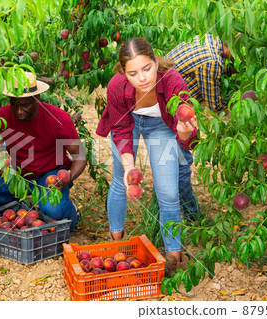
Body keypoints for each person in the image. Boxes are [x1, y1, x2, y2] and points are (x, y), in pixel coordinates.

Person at [96, 37, 199, 274]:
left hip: (161, 125)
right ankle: (117, 246)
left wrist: (184, 133)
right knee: (120, 181)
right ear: (123, 72)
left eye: (147, 68)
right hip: (128, 121)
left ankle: (174, 259)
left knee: (168, 193)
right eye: (133, 73)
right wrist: (129, 165)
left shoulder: (172, 81)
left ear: (155, 61)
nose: (142, 78)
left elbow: (186, 134)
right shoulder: (116, 86)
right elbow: (121, 129)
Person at [0, 72, 87, 230]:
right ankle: (20, 210)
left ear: (37, 99)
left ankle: (72, 215)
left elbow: (80, 157)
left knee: (54, 209)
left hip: (49, 174)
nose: (18, 111)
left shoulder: (58, 118)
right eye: (14, 104)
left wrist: (69, 176)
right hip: (18, 176)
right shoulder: (2, 117)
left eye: (25, 105)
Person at [163, 34, 236, 221]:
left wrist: (230, 71)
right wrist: (236, 104)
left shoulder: (207, 38)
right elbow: (213, 104)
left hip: (167, 103)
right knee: (182, 164)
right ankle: (192, 215)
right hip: (173, 113)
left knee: (172, 163)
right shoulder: (212, 61)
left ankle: (176, 208)